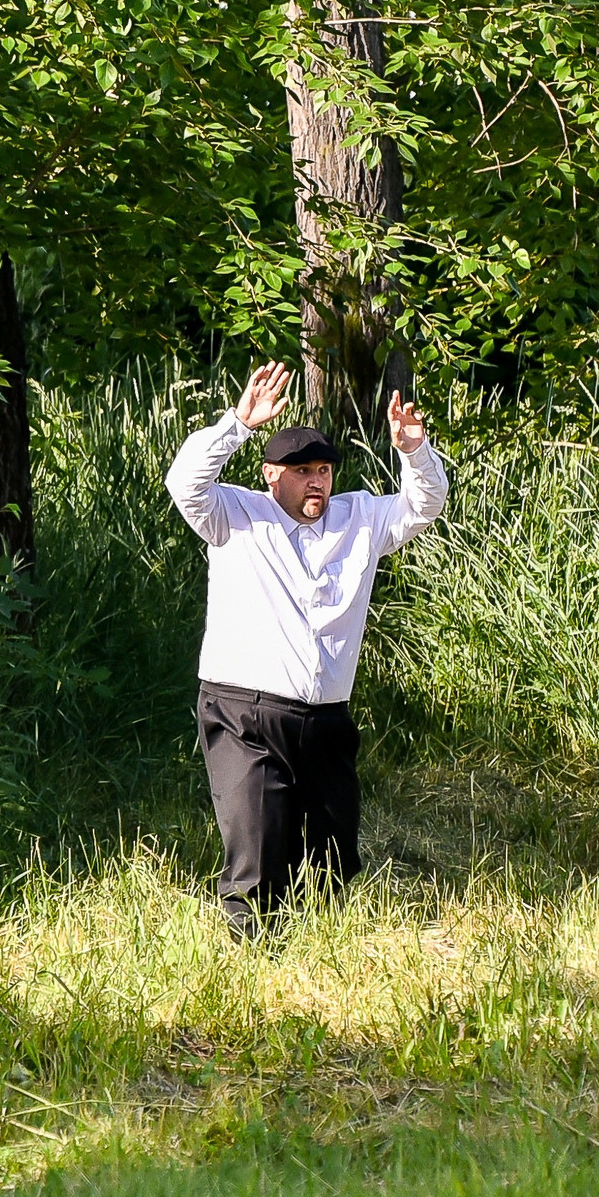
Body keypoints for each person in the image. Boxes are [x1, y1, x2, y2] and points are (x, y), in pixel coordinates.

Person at [165, 361, 449, 936]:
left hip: (325, 720)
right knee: (259, 851)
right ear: (272, 476)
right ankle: (253, 969)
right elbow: (184, 481)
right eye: (301, 472)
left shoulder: (361, 518)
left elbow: (424, 506)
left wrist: (415, 452)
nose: (316, 480)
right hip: (243, 710)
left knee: (334, 862)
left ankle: (318, 959)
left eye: (323, 470)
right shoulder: (235, 514)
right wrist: (239, 423)